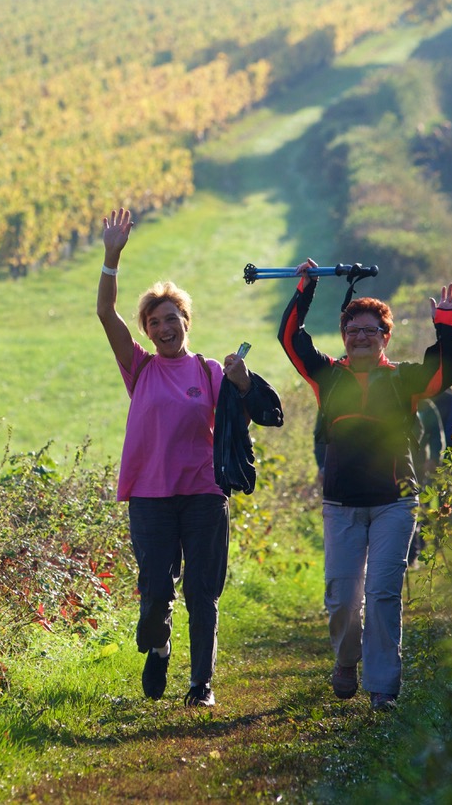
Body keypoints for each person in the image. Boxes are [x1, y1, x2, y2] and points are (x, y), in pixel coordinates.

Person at [97, 207, 280, 709]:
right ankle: (158, 646)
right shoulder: (139, 369)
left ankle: (201, 685)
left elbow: (253, 411)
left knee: (203, 592)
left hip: (203, 494)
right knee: (156, 592)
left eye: (171, 319)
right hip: (151, 498)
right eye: (154, 322)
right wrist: (112, 257)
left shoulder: (209, 371)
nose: (163, 328)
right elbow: (105, 314)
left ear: (186, 322)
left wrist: (242, 379)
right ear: (148, 331)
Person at [278, 259, 452, 711]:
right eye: (354, 330)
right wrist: (306, 289)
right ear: (344, 337)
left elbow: (449, 369)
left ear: (386, 337)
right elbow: (290, 338)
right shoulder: (328, 376)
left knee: (382, 593)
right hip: (341, 503)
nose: (362, 337)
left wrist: (445, 321)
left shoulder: (403, 379)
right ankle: (346, 661)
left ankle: (383, 686)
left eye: (372, 331)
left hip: (394, 503)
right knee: (343, 597)